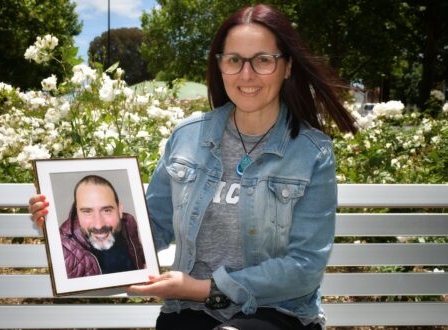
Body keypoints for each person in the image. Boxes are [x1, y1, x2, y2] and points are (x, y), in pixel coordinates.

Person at [29, 4, 356, 329]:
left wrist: (203, 289)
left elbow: (303, 268)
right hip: (188, 314)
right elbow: (151, 227)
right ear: (220, 66)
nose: (246, 74)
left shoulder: (311, 153)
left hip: (275, 313)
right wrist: (63, 226)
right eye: (234, 60)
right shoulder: (188, 137)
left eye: (262, 61)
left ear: (287, 67)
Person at [59, 175, 145, 278]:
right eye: (87, 212)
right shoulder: (62, 248)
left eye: (106, 211)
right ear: (77, 213)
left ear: (120, 210)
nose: (98, 225)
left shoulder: (129, 223)